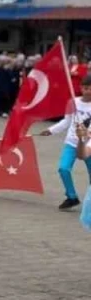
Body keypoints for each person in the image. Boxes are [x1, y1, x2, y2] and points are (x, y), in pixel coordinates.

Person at [43, 72, 91, 211]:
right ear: (81, 88)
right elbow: (66, 121)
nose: (88, 91)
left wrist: (87, 134)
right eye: (85, 88)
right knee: (63, 168)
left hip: (88, 144)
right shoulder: (73, 102)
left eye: (90, 88)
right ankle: (71, 197)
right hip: (71, 142)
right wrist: (51, 130)